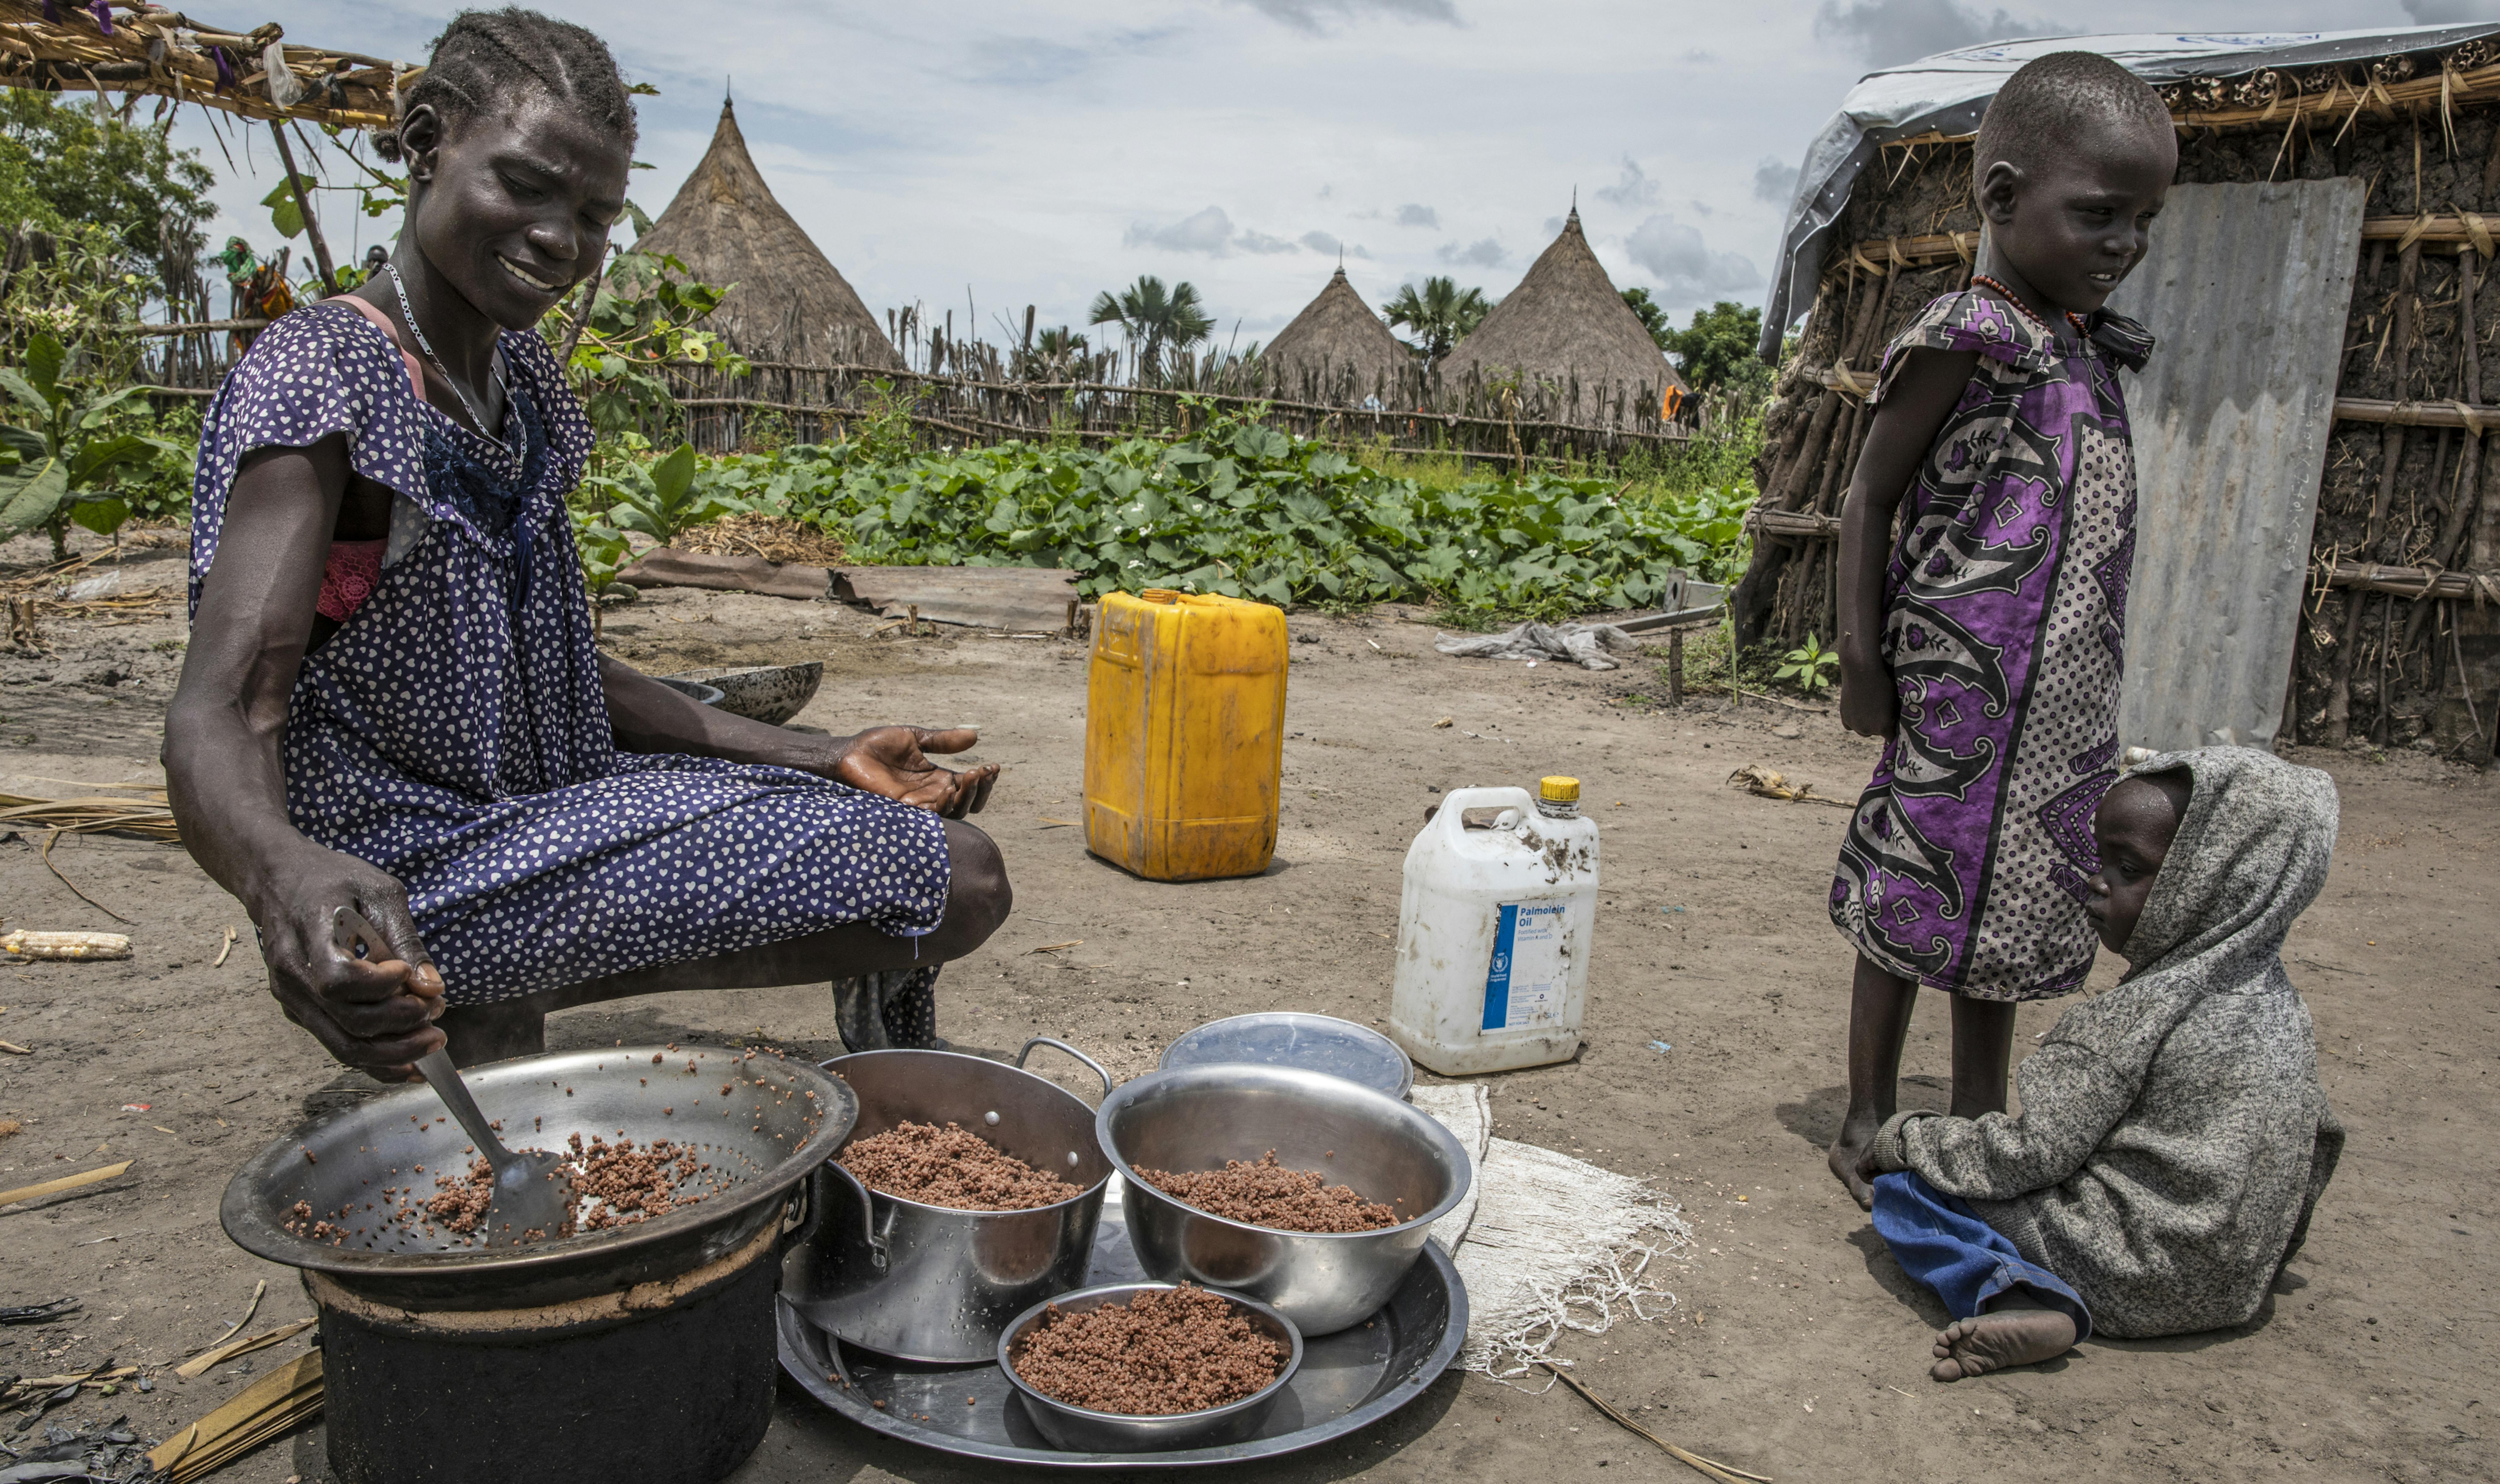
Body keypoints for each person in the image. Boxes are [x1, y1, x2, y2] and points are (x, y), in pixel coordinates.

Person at [164, 8, 1008, 1099]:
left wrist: (821, 750)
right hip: (411, 866)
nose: (560, 237)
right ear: (425, 147)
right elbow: (222, 705)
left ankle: (514, 980)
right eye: (523, 186)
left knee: (888, 828)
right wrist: (286, 876)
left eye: (596, 213)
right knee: (956, 876)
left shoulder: (519, 382)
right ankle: (467, 976)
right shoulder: (329, 372)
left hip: (535, 809)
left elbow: (557, 663)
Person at [1823, 52, 2178, 1206]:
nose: (2123, 242)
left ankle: (1980, 1118)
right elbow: (1867, 500)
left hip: (2062, 709)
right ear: (2002, 197)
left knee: (2019, 906)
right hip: (1953, 691)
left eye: (2142, 220)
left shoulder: (2085, 344)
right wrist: (1862, 661)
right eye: (2098, 214)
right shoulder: (1964, 333)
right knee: (1911, 895)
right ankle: (1869, 1111)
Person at [1858, 747, 2345, 1381]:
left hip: (2120, 1275)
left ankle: (2016, 1294)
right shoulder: (2282, 1012)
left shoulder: (2133, 1015)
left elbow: (2029, 1153)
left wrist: (1904, 1138)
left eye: (2127, 867)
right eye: (2101, 857)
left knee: (1911, 1195)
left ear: (2214, 883)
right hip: (2231, 1284)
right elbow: (2318, 1142)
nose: (2096, 880)